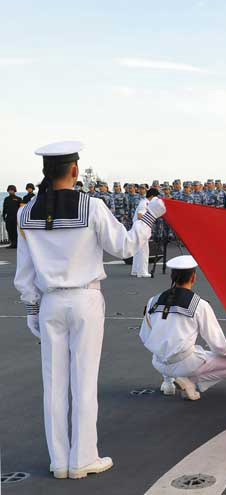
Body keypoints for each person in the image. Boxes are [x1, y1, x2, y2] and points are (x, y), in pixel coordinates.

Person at [14, 141, 165, 480]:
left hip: (49, 301)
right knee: (84, 380)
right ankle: (83, 458)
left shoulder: (27, 211)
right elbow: (124, 245)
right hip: (85, 299)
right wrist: (148, 216)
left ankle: (60, 461)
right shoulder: (92, 206)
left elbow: (24, 273)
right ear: (74, 170)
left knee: (53, 383)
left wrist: (31, 308)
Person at [139, 255, 226, 401]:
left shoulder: (154, 300)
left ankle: (168, 382)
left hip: (158, 363)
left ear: (172, 276)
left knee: (167, 339)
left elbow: (144, 335)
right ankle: (189, 382)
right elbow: (218, 344)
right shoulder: (199, 305)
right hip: (184, 364)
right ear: (193, 278)